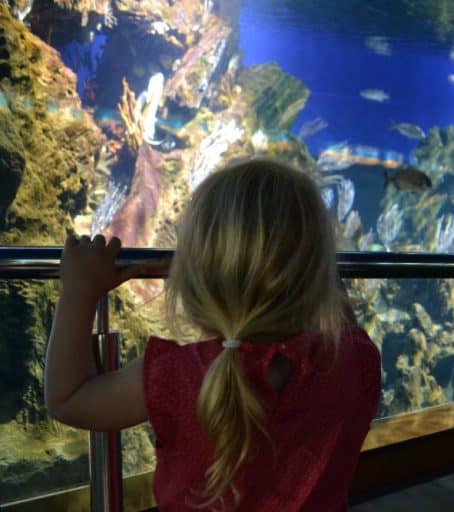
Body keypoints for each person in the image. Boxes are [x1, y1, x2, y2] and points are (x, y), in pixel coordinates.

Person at [44, 159, 382, 511]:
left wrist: (80, 290)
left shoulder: (177, 374)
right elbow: (340, 319)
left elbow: (69, 398)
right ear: (318, 271)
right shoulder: (353, 364)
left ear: (192, 276)